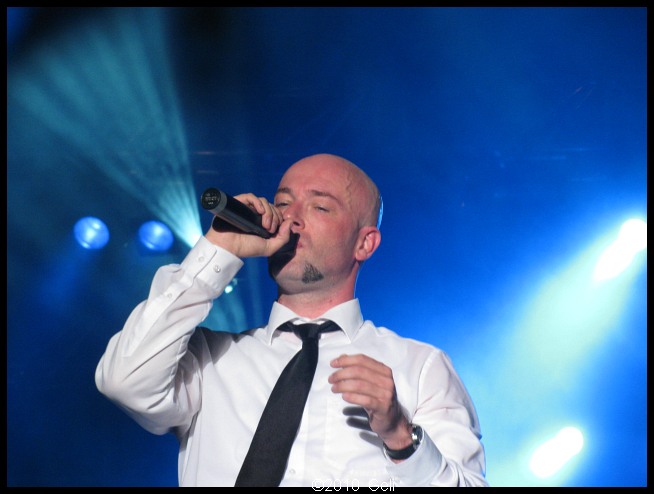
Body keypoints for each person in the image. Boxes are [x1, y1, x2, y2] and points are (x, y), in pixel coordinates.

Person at [95, 153, 488, 487]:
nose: (292, 219)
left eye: (320, 207)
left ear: (364, 243)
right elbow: (123, 380)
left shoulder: (419, 368)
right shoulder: (208, 360)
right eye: (282, 203)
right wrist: (219, 248)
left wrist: (401, 436)